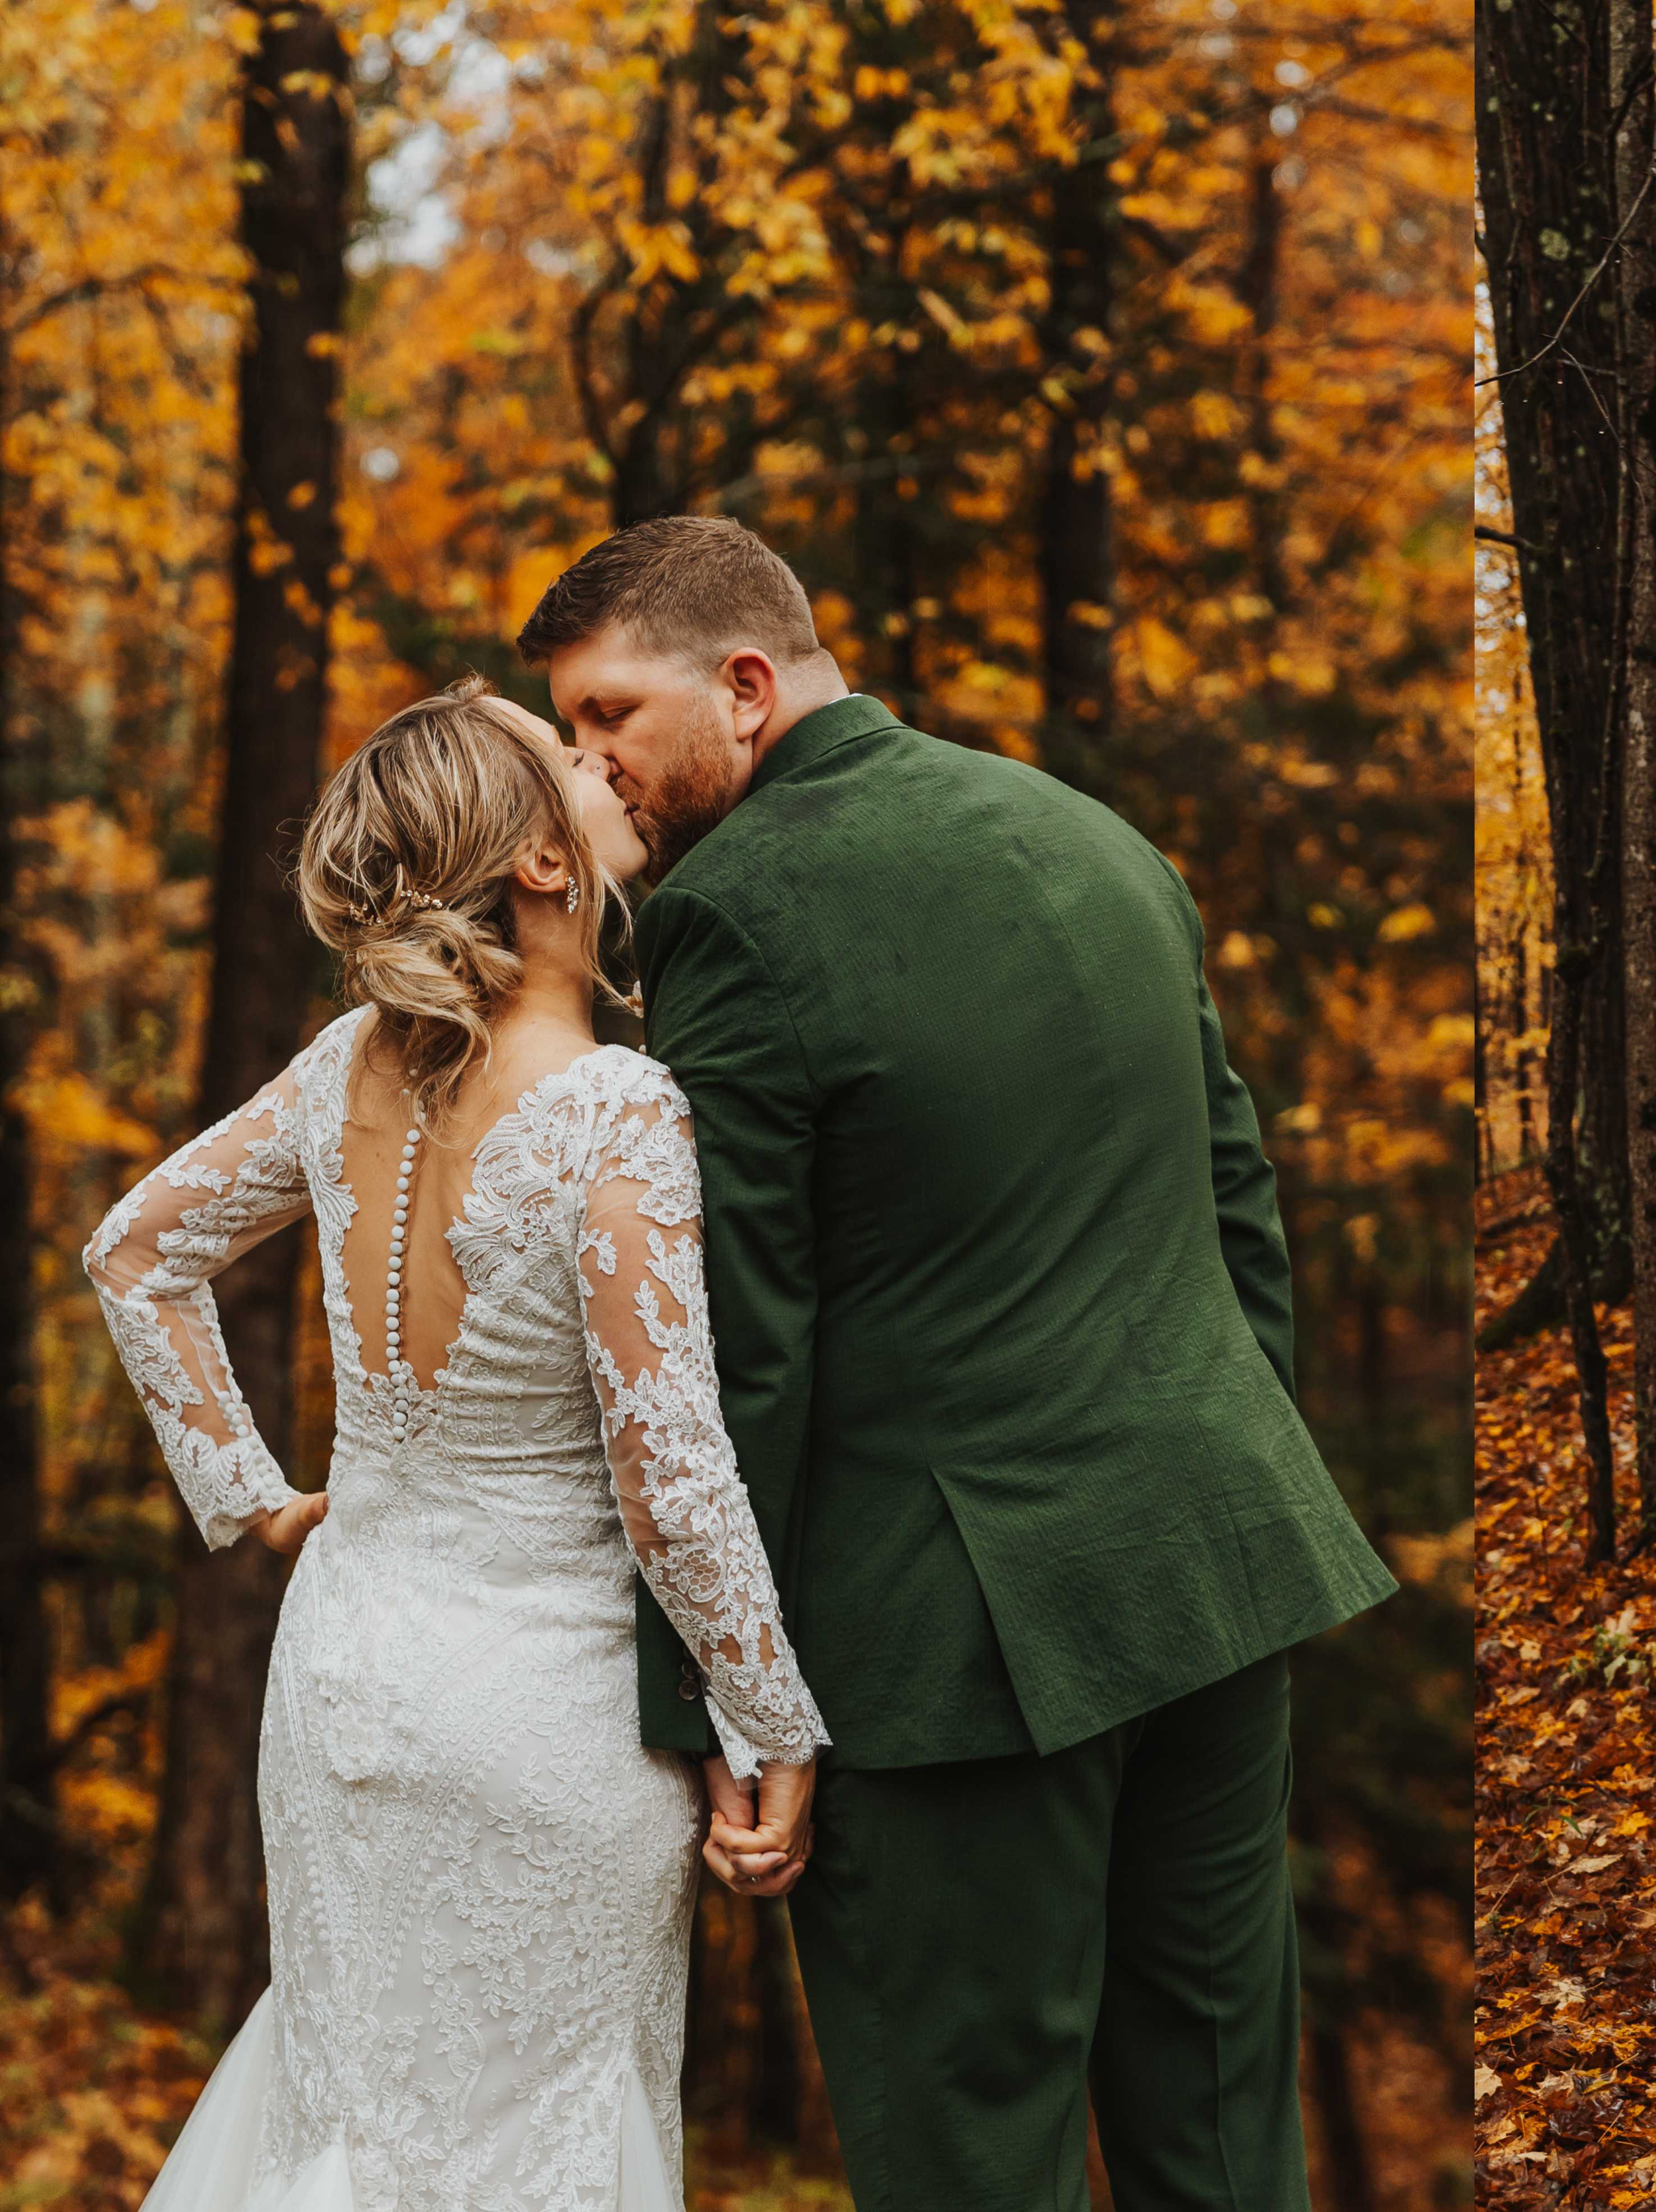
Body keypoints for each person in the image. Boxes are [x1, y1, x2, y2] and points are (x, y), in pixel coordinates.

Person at [513, 515, 1398, 2211]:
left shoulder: (732, 919)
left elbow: (735, 1359)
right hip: (1219, 1572)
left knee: (970, 2161)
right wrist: (1227, 1461)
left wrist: (726, 1696)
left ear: (747, 688)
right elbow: (1236, 1196)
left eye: (611, 712)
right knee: (1224, 2141)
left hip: (960, 1655)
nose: (587, 762)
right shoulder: (1097, 837)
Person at [87, 680, 825, 2209]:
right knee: (542, 2133)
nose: (596, 762)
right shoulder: (613, 1106)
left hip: (344, 1672)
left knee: (349, 2116)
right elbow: (671, 1471)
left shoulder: (344, 1064)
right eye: (568, 757)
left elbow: (132, 1252)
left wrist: (253, 1495)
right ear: (543, 865)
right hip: (541, 1718)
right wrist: (772, 1725)